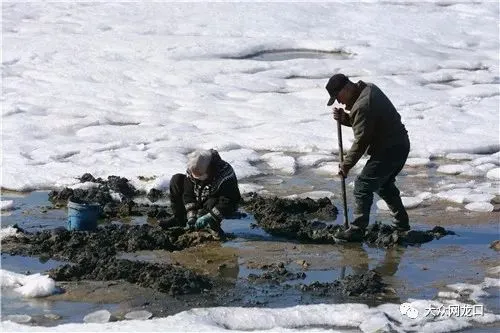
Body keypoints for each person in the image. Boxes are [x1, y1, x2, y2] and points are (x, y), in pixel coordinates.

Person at [325, 73, 410, 242]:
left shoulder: (363, 104)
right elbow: (367, 122)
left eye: (338, 97)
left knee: (363, 185)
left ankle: (357, 229)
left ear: (346, 88)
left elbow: (362, 140)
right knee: (384, 185)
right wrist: (345, 118)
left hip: (390, 149)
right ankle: (402, 224)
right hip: (399, 145)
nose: (339, 102)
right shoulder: (368, 88)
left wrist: (346, 165)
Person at [160, 149, 241, 233]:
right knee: (176, 179)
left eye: (200, 176)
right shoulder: (192, 167)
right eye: (194, 176)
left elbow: (229, 199)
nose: (196, 179)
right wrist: (191, 216)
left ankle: (211, 223)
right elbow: (188, 193)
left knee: (212, 201)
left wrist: (210, 216)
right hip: (199, 196)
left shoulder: (225, 172)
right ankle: (180, 219)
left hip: (219, 201)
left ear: (208, 168)